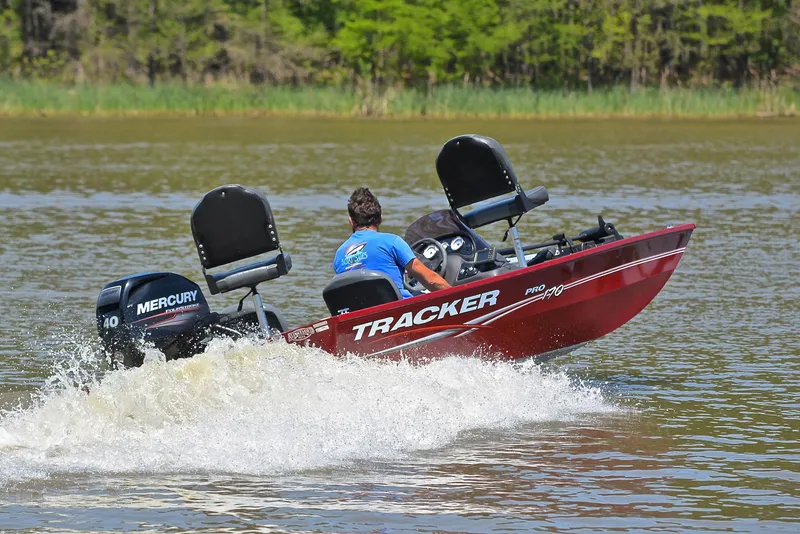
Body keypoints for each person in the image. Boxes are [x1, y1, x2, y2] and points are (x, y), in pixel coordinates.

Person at [333, 187, 451, 298]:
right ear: (380, 219)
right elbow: (431, 280)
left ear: (351, 222)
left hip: (360, 314)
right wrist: (457, 297)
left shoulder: (339, 255)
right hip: (400, 312)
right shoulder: (392, 242)